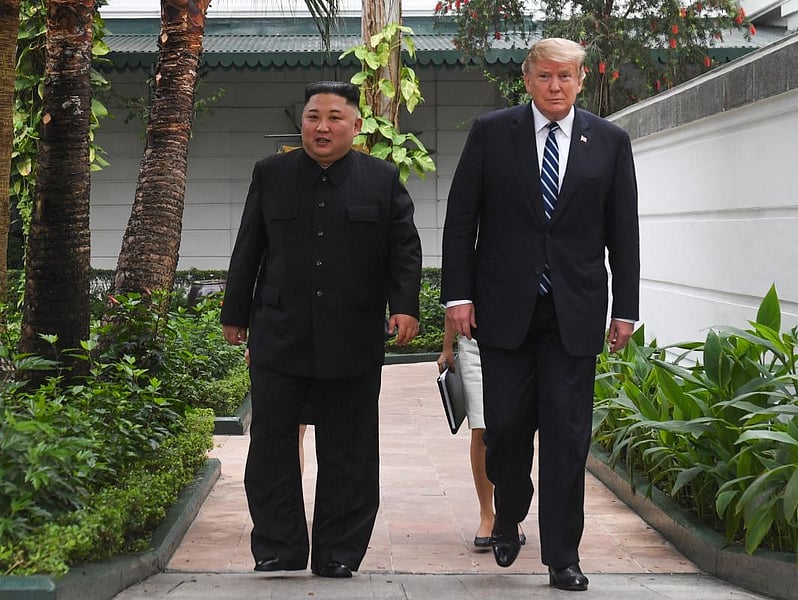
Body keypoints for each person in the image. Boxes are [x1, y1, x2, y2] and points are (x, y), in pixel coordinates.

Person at [440, 38, 640, 592]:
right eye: (545, 77)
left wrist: (626, 308)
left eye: (566, 77)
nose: (556, 87)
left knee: (566, 438)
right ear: (526, 80)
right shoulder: (491, 133)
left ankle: (563, 556)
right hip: (502, 311)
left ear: (580, 81)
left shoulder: (609, 141)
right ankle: (508, 511)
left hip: (573, 314)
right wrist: (457, 296)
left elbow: (624, 231)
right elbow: (462, 221)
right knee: (503, 428)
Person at [221, 80, 422, 579]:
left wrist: (405, 306)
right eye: (313, 116)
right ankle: (278, 547)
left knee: (349, 448)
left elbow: (404, 249)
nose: (323, 126)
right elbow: (249, 246)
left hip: (351, 338)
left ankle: (338, 552)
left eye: (335, 117)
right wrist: (235, 313)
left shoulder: (381, 178)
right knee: (271, 445)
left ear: (356, 125)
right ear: (302, 123)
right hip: (279, 333)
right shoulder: (272, 174)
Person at [437, 317, 527, 551]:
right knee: (481, 427)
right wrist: (447, 347)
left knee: (513, 430)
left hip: (518, 343)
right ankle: (487, 514)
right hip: (474, 343)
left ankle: (509, 514)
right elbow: (456, 294)